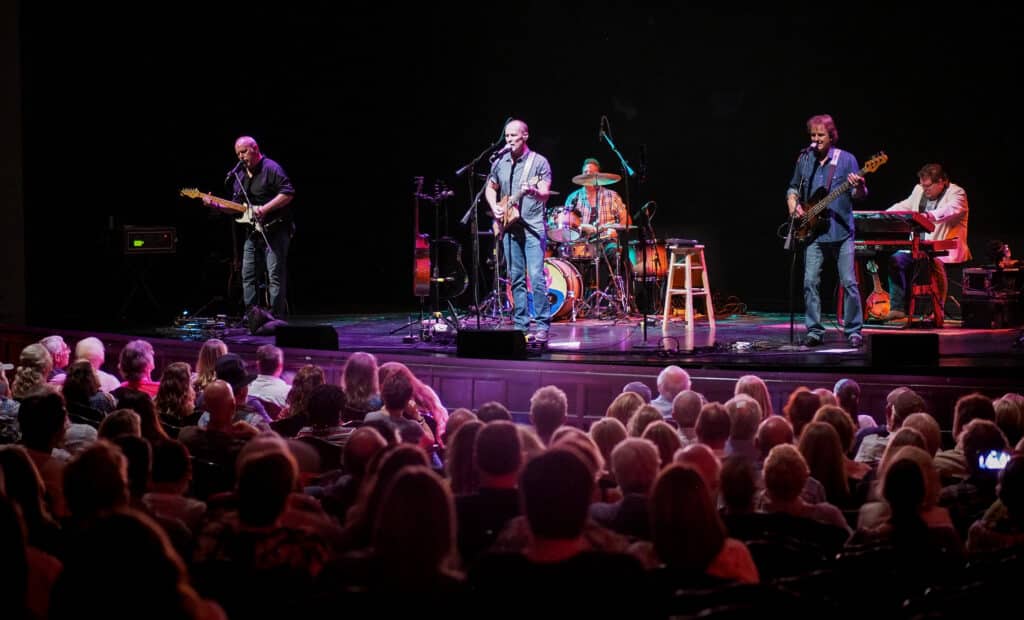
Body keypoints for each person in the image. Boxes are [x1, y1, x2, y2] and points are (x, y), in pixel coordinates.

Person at [786, 114, 867, 348]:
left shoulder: (847, 159)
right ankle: (814, 330)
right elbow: (793, 186)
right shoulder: (805, 160)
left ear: (831, 136)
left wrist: (859, 185)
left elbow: (858, 196)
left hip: (841, 232)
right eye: (813, 135)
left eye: (821, 135)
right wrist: (793, 204)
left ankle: (854, 330)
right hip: (813, 231)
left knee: (849, 282)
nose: (816, 139)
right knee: (810, 281)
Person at [207, 136, 295, 318]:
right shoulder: (239, 176)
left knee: (275, 276)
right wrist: (216, 205)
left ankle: (276, 318)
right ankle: (253, 318)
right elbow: (237, 207)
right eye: (238, 153)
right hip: (253, 232)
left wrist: (264, 209)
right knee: (248, 275)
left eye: (244, 151)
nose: (241, 156)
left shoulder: (271, 168)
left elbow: (288, 193)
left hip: (276, 229)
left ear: (255, 149)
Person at [486, 119, 553, 342]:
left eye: (514, 136)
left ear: (525, 136)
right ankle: (521, 325)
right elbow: (490, 188)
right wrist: (494, 205)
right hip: (510, 226)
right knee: (515, 277)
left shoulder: (539, 162)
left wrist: (533, 191)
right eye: (506, 136)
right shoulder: (500, 162)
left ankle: (542, 325)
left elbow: (544, 193)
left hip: (533, 227)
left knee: (536, 276)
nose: (509, 140)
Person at [883, 163, 970, 320]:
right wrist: (885, 214)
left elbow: (950, 210)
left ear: (941, 181)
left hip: (944, 249)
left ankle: (938, 310)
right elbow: (905, 205)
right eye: (923, 186)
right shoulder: (919, 190)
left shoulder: (957, 193)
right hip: (918, 247)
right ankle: (897, 308)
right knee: (895, 259)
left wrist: (927, 216)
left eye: (928, 186)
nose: (925, 190)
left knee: (935, 261)